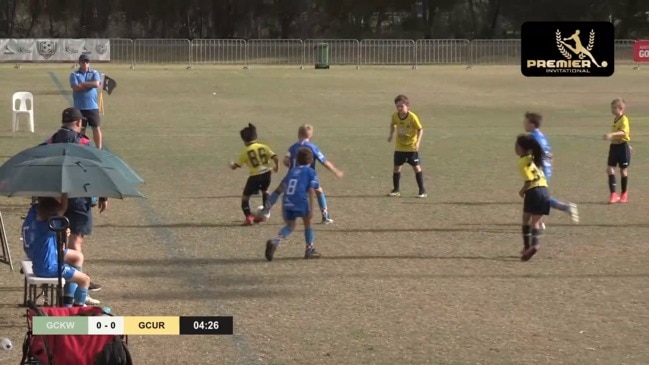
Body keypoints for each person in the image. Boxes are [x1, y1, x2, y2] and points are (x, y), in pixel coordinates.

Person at [47, 107, 106, 302]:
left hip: (56, 197)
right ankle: (75, 294)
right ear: (79, 123)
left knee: (62, 241)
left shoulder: (50, 141)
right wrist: (103, 196)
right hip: (79, 198)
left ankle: (70, 286)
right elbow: (95, 170)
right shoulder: (84, 143)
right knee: (75, 245)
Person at [262, 124, 343, 224]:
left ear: (298, 134)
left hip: (292, 175)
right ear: (310, 135)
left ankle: (266, 210)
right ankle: (325, 217)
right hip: (307, 177)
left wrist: (293, 166)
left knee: (279, 190)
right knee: (319, 191)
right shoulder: (313, 147)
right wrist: (335, 171)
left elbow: (285, 161)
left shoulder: (293, 147)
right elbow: (324, 162)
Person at [22, 197, 91, 307]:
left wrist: (63, 231)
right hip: (49, 266)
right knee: (85, 280)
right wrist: (65, 194)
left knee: (77, 257)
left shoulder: (33, 216)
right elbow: (63, 209)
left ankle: (68, 298)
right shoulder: (50, 225)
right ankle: (75, 308)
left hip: (39, 256)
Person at [265, 147, 321, 261]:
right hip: (300, 201)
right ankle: (309, 250)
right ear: (311, 161)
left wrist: (270, 202)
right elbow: (311, 190)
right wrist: (311, 208)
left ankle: (276, 241)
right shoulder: (311, 172)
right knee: (307, 223)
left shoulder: (292, 171)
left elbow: (281, 188)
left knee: (290, 225)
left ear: (297, 160)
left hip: (287, 201)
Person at [523, 112, 579, 225]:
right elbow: (550, 154)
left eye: (526, 122)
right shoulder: (542, 136)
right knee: (537, 196)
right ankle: (540, 219)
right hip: (547, 169)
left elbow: (531, 156)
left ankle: (565, 208)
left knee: (537, 196)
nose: (524, 124)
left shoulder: (532, 138)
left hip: (540, 171)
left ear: (532, 124)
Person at [229, 123, 279, 225]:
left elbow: (236, 166)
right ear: (255, 136)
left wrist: (231, 165)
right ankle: (265, 213)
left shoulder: (245, 151)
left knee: (245, 198)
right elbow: (275, 157)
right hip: (267, 173)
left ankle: (249, 217)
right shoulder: (264, 147)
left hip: (255, 176)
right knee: (265, 191)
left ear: (244, 140)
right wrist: (276, 167)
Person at [515, 134, 551, 262]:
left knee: (526, 220)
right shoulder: (533, 158)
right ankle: (535, 245)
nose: (515, 148)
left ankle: (527, 246)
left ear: (521, 148)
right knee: (535, 222)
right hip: (545, 192)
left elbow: (530, 180)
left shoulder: (522, 162)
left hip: (534, 192)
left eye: (517, 146)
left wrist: (522, 191)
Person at [387, 94, 427, 198]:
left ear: (407, 105)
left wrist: (417, 143)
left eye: (401, 106)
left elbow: (420, 129)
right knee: (396, 168)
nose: (399, 108)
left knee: (416, 167)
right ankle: (396, 190)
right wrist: (391, 135)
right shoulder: (395, 116)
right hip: (400, 147)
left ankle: (422, 191)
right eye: (397, 107)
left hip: (411, 147)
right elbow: (393, 124)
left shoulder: (412, 117)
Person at [70, 54, 103, 149]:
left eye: (87, 62)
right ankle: (81, 148)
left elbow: (96, 84)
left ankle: (99, 149)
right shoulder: (74, 74)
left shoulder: (94, 72)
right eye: (83, 62)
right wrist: (89, 85)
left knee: (96, 128)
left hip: (92, 106)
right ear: (79, 63)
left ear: (89, 63)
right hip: (79, 107)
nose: (85, 63)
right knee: (81, 130)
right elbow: (76, 87)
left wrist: (83, 83)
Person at [603, 98, 631, 204]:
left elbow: (624, 133)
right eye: (612, 108)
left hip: (622, 147)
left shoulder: (624, 119)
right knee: (610, 169)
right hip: (614, 147)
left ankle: (624, 193)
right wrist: (611, 138)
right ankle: (613, 194)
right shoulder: (615, 119)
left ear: (621, 108)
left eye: (614, 108)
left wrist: (611, 135)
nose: (612, 110)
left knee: (623, 171)